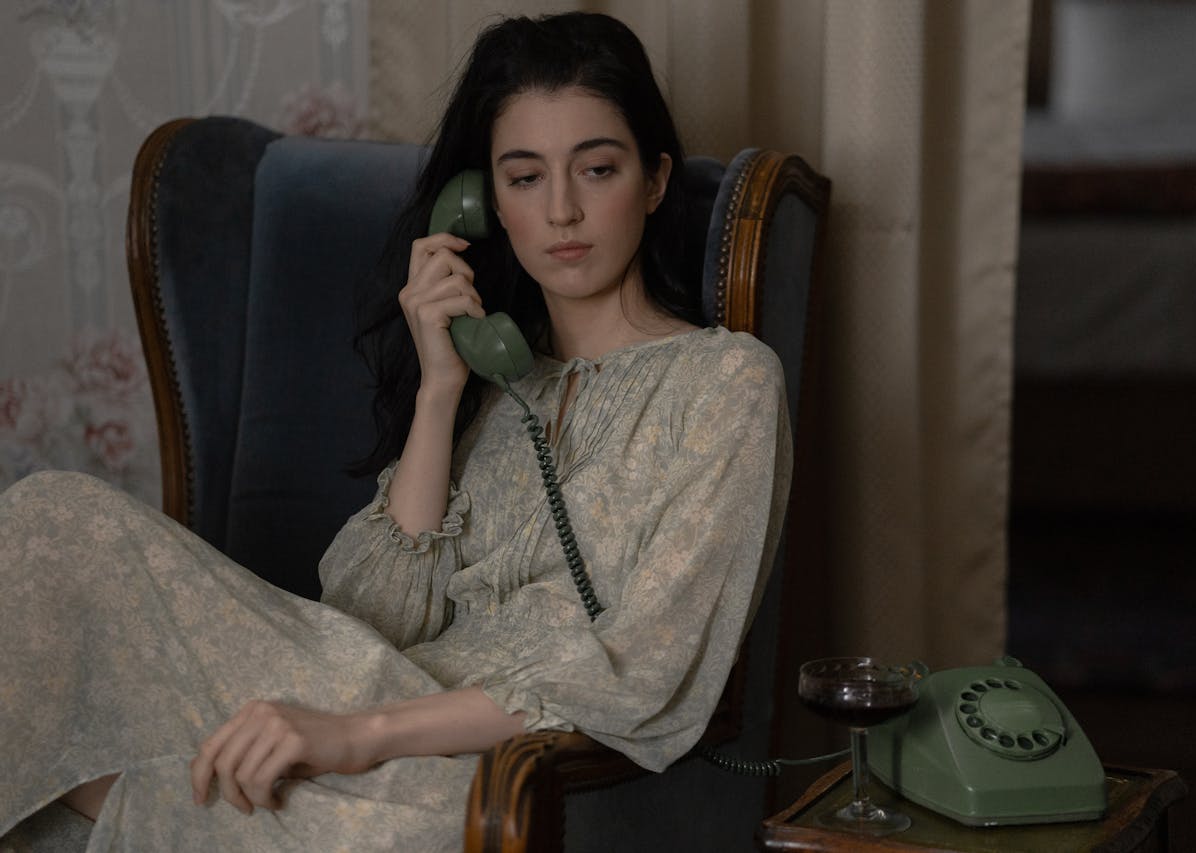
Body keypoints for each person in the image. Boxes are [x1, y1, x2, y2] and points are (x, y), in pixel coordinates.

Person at [0, 12, 791, 851]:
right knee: (55, 517)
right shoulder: (497, 389)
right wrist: (442, 392)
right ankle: (143, 800)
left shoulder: (728, 383)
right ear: (484, 203)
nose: (562, 210)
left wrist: (357, 734)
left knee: (180, 797)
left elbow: (639, 674)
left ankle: (123, 801)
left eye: (597, 169)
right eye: (524, 179)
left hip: (479, 762)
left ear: (656, 179)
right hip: (358, 696)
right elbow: (364, 617)